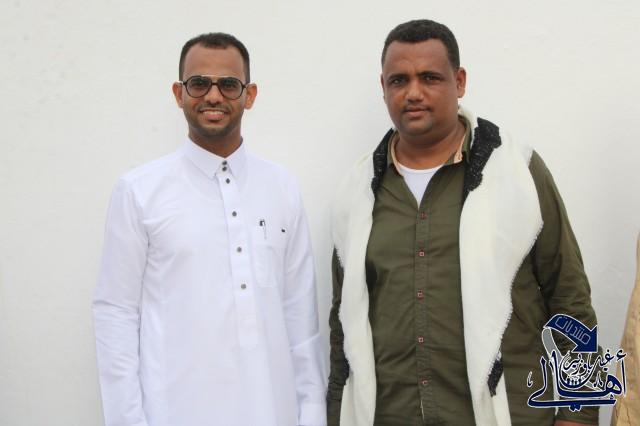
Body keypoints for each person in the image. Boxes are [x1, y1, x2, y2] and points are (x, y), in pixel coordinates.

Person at [327, 19, 598, 426]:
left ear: (459, 81)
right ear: (383, 87)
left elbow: (570, 300)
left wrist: (579, 413)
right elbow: (342, 326)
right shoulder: (357, 192)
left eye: (430, 77)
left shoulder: (518, 172)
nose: (413, 93)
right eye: (399, 80)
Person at [93, 32, 326, 426]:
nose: (213, 96)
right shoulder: (139, 191)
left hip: (273, 412)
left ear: (250, 95)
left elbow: (301, 317)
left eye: (229, 85)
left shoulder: (282, 187)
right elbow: (116, 314)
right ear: (179, 93)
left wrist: (313, 414)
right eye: (199, 83)